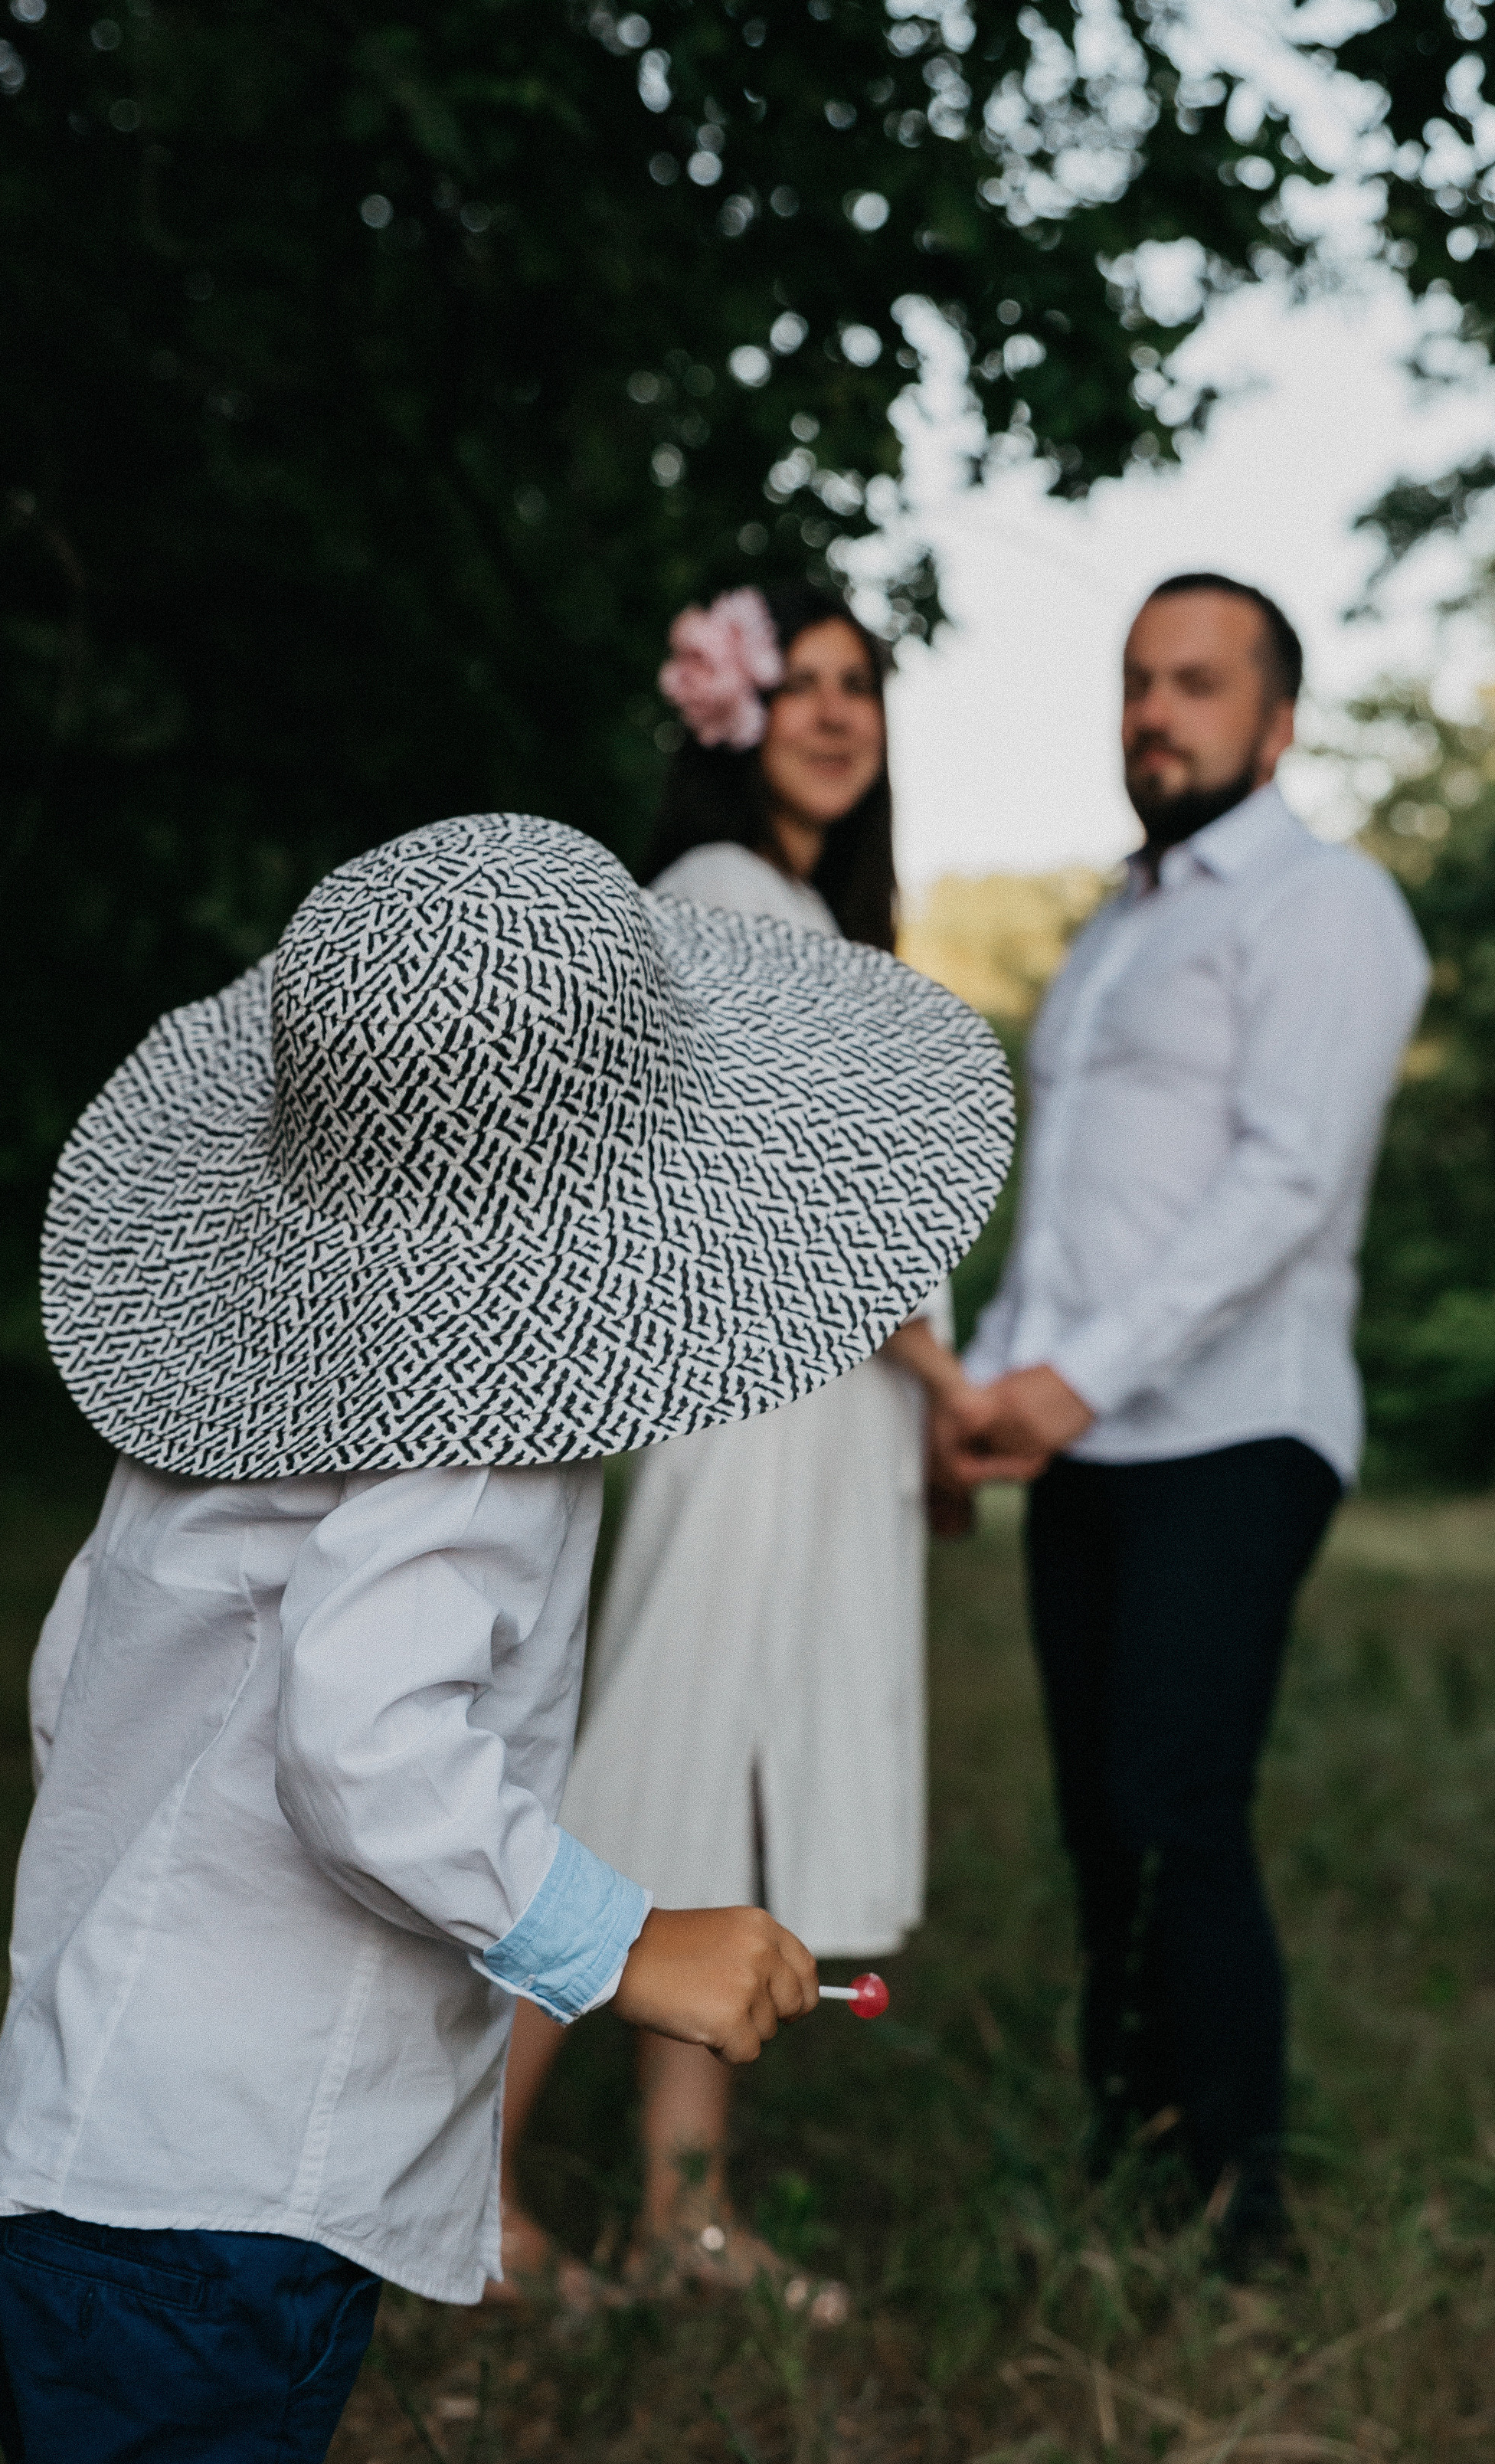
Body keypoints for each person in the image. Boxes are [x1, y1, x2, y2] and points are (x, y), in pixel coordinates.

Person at [0, 810, 1014, 2464]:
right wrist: (630, 1941)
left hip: (74, 2172)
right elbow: (363, 1743)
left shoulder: (217, 1427)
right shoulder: (486, 1424)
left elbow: (80, 1685)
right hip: (230, 2217)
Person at [494, 587, 1009, 2309]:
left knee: (720, 1806)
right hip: (753, 1413)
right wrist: (947, 1380)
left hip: (825, 1422)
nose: (837, 712)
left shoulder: (814, 912)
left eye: (863, 686)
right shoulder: (716, 894)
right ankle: (455, 2185)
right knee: (643, 1779)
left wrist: (912, 1414)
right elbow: (814, 1191)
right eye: (800, 684)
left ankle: (680, 2211)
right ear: (729, 717)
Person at [936, 574, 1429, 2280]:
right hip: (1087, 1439)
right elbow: (1072, 1215)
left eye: (1200, 683)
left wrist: (1083, 1375)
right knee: (1098, 1818)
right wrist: (995, 1382)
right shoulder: (1114, 931)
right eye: (1141, 682)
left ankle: (1242, 2217)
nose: (1160, 711)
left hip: (1236, 1425)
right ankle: (1129, 2152)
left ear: (1277, 718)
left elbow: (1285, 1183)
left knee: (1174, 1800)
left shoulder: (1325, 905)